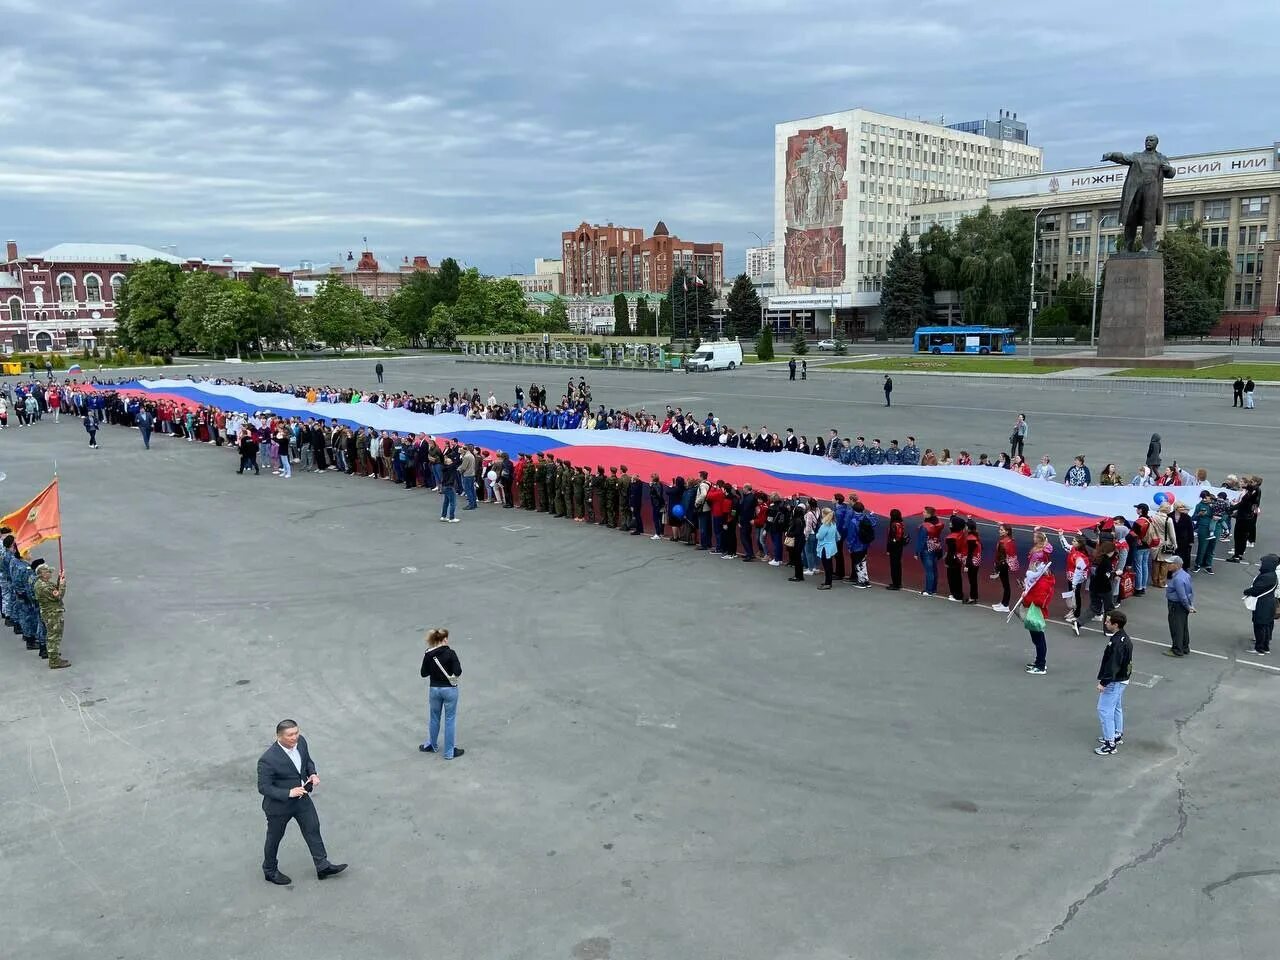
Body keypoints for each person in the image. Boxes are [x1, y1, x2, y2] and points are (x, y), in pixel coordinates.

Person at [257, 719, 348, 885]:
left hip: (302, 799)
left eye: (296, 733)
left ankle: (322, 866)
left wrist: (312, 773)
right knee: (274, 837)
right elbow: (264, 788)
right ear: (279, 736)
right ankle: (269, 869)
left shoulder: (301, 742)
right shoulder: (268, 759)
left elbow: (307, 761)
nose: (294, 737)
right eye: (290, 735)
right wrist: (288, 792)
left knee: (313, 828)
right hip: (279, 806)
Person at [419, 627, 464, 758]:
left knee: (434, 717)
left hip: (434, 689)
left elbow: (423, 673)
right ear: (444, 640)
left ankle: (432, 745)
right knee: (449, 720)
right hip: (449, 690)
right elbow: (458, 671)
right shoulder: (451, 653)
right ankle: (449, 752)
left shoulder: (428, 654)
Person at [1094, 611, 1133, 756]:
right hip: (1122, 678)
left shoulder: (1116, 643)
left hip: (1114, 680)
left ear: (1115, 625)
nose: (1105, 622)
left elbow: (1113, 665)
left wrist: (1104, 682)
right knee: (1116, 707)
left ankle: (1110, 743)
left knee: (1104, 710)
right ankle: (1117, 734)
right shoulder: (1124, 638)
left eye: (1108, 621)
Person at [1019, 558, 1055, 675]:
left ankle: (1041, 665)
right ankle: (1038, 662)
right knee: (1037, 639)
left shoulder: (1043, 583)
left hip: (1036, 613)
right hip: (1035, 612)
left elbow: (1039, 600)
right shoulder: (1041, 581)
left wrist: (1026, 597)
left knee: (1039, 640)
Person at [33, 562, 69, 669]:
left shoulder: (43, 583)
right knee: (54, 636)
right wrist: (63, 584)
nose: (50, 573)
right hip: (52, 614)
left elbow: (55, 589)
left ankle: (54, 656)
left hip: (50, 613)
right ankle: (54, 660)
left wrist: (59, 579)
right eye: (48, 572)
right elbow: (58, 596)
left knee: (53, 635)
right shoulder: (43, 586)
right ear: (43, 574)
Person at [1242, 554, 1278, 656]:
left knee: (1259, 626)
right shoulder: (1273, 575)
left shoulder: (1266, 577)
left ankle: (1259, 648)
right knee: (1266, 626)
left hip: (1262, 604)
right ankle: (1265, 647)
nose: (1261, 565)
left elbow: (1256, 590)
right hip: (1269, 603)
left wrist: (1246, 591)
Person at [1164, 556, 1194, 658]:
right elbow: (1189, 592)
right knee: (1183, 626)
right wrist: (1190, 605)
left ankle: (1177, 649)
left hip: (1176, 605)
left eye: (1169, 563)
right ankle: (1184, 646)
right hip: (1183, 605)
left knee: (1176, 627)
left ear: (1176, 565)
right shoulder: (1185, 575)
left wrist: (1187, 606)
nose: (1167, 565)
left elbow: (1182, 595)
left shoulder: (1177, 579)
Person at [1227, 477, 1261, 563]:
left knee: (1238, 537)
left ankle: (1236, 556)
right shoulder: (1256, 494)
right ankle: (1240, 554)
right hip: (1249, 517)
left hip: (1242, 518)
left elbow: (1241, 504)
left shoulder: (1248, 496)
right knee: (1244, 537)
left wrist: (1230, 508)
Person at [916, 506, 943, 597]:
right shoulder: (938, 523)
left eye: (924, 512)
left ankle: (928, 590)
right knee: (934, 569)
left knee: (929, 570)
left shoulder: (925, 526)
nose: (922, 513)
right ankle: (933, 589)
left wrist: (917, 552)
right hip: (935, 547)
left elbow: (921, 540)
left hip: (926, 548)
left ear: (928, 514)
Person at [991, 523, 1018, 613]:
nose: (1000, 531)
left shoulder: (1007, 542)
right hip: (1001, 563)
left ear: (1007, 532)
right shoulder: (1004, 540)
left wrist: (1002, 565)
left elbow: (1010, 555)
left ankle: (1005, 605)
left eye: (1002, 530)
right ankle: (1003, 603)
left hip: (1003, 564)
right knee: (1004, 584)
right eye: (1000, 529)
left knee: (1006, 585)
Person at [1150, 503, 1178, 588]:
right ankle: (1162, 582)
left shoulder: (1153, 518)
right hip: (1166, 542)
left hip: (1155, 542)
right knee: (1165, 563)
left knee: (1155, 562)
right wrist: (1175, 543)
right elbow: (1172, 534)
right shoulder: (1168, 520)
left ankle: (1154, 581)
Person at [943, 514, 966, 603]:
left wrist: (946, 561)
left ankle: (956, 595)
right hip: (958, 558)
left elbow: (950, 551)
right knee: (957, 576)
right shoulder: (961, 534)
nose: (949, 524)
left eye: (951, 523)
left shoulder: (951, 537)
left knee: (952, 576)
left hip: (952, 559)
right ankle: (958, 593)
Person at [815, 508, 838, 589]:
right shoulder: (833, 523)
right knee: (829, 565)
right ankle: (828, 581)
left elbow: (820, 536)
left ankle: (828, 583)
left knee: (826, 565)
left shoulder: (825, 525)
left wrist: (817, 534)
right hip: (831, 546)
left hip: (825, 547)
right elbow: (837, 535)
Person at [885, 509, 907, 590]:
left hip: (894, 547)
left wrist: (888, 549)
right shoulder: (900, 523)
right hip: (899, 547)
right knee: (897, 565)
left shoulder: (893, 524)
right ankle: (898, 582)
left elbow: (891, 538)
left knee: (894, 566)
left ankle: (896, 584)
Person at [963, 517, 982, 604]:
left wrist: (967, 565)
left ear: (968, 528)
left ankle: (972, 598)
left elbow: (970, 553)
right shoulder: (976, 536)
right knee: (973, 580)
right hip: (977, 560)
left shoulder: (970, 538)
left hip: (972, 562)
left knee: (972, 580)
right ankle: (974, 597)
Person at [786, 504, 806, 582]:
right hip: (800, 540)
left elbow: (796, 532)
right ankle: (799, 575)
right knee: (798, 559)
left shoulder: (797, 520)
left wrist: (789, 534)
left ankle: (798, 576)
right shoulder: (801, 519)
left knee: (797, 558)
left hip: (797, 540)